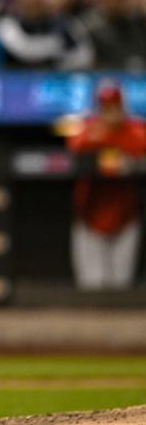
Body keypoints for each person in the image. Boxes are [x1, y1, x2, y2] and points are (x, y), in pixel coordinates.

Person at [66, 84, 146, 290]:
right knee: (91, 286)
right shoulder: (87, 127)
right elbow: (74, 145)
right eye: (106, 107)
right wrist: (105, 135)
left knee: (121, 286)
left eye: (114, 107)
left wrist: (110, 137)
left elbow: (140, 145)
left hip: (126, 216)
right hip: (89, 216)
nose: (110, 113)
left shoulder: (134, 128)